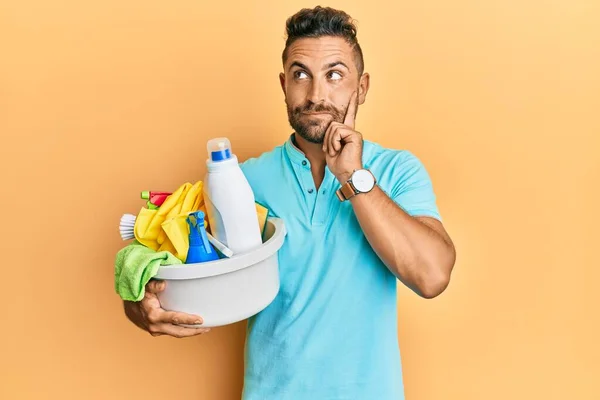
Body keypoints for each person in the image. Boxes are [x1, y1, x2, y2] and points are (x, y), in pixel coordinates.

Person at [123, 6, 456, 399]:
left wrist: (354, 177)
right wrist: (139, 305)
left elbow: (433, 276)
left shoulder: (398, 170)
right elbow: (175, 273)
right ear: (284, 84)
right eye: (301, 75)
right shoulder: (241, 181)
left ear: (362, 87)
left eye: (335, 75)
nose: (316, 95)